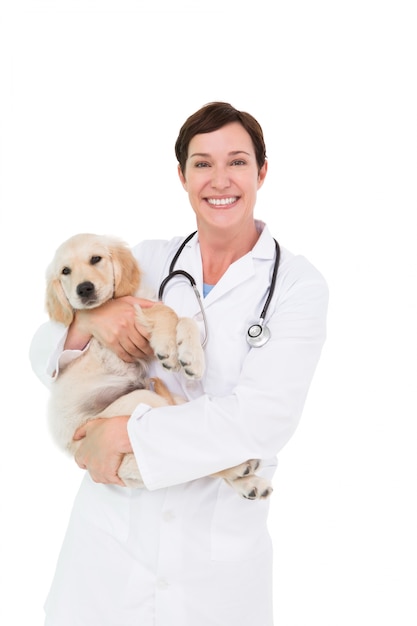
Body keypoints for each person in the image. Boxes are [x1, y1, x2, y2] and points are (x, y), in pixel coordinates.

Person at [30, 101, 329, 626]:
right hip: (105, 565)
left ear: (261, 171)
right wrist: (91, 322)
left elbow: (263, 420)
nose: (220, 179)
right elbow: (41, 349)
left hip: (214, 574)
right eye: (202, 163)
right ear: (182, 176)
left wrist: (122, 434)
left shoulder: (297, 286)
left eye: (236, 161)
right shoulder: (146, 259)